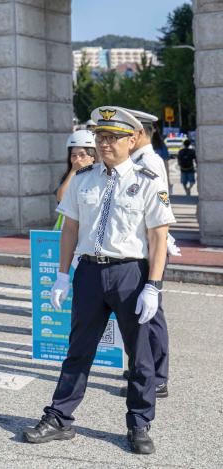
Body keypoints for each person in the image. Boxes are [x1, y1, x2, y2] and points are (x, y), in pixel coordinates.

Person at [23, 106, 175, 455]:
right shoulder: (83, 178)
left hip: (130, 274)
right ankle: (60, 417)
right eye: (100, 137)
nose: (104, 144)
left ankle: (139, 423)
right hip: (90, 272)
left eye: (113, 137)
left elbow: (158, 237)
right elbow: (70, 229)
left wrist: (153, 285)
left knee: (140, 355)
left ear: (132, 140)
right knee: (78, 350)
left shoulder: (149, 180)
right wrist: (63, 275)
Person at [125, 109, 173, 400]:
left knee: (151, 315)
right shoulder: (137, 160)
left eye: (127, 132)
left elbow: (159, 216)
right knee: (139, 313)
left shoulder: (149, 162)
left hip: (149, 249)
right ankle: (143, 370)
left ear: (139, 133)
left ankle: (157, 377)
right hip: (138, 248)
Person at [55, 130, 97, 207]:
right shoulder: (68, 177)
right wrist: (73, 171)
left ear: (92, 157)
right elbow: (61, 199)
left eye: (82, 155)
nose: (77, 159)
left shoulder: (100, 176)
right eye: (74, 155)